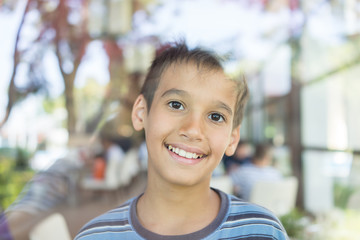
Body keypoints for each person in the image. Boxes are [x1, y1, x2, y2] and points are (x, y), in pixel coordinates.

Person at [75, 42, 288, 239]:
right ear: (141, 113)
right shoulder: (95, 236)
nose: (193, 130)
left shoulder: (263, 232)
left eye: (216, 116)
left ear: (232, 139)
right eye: (176, 105)